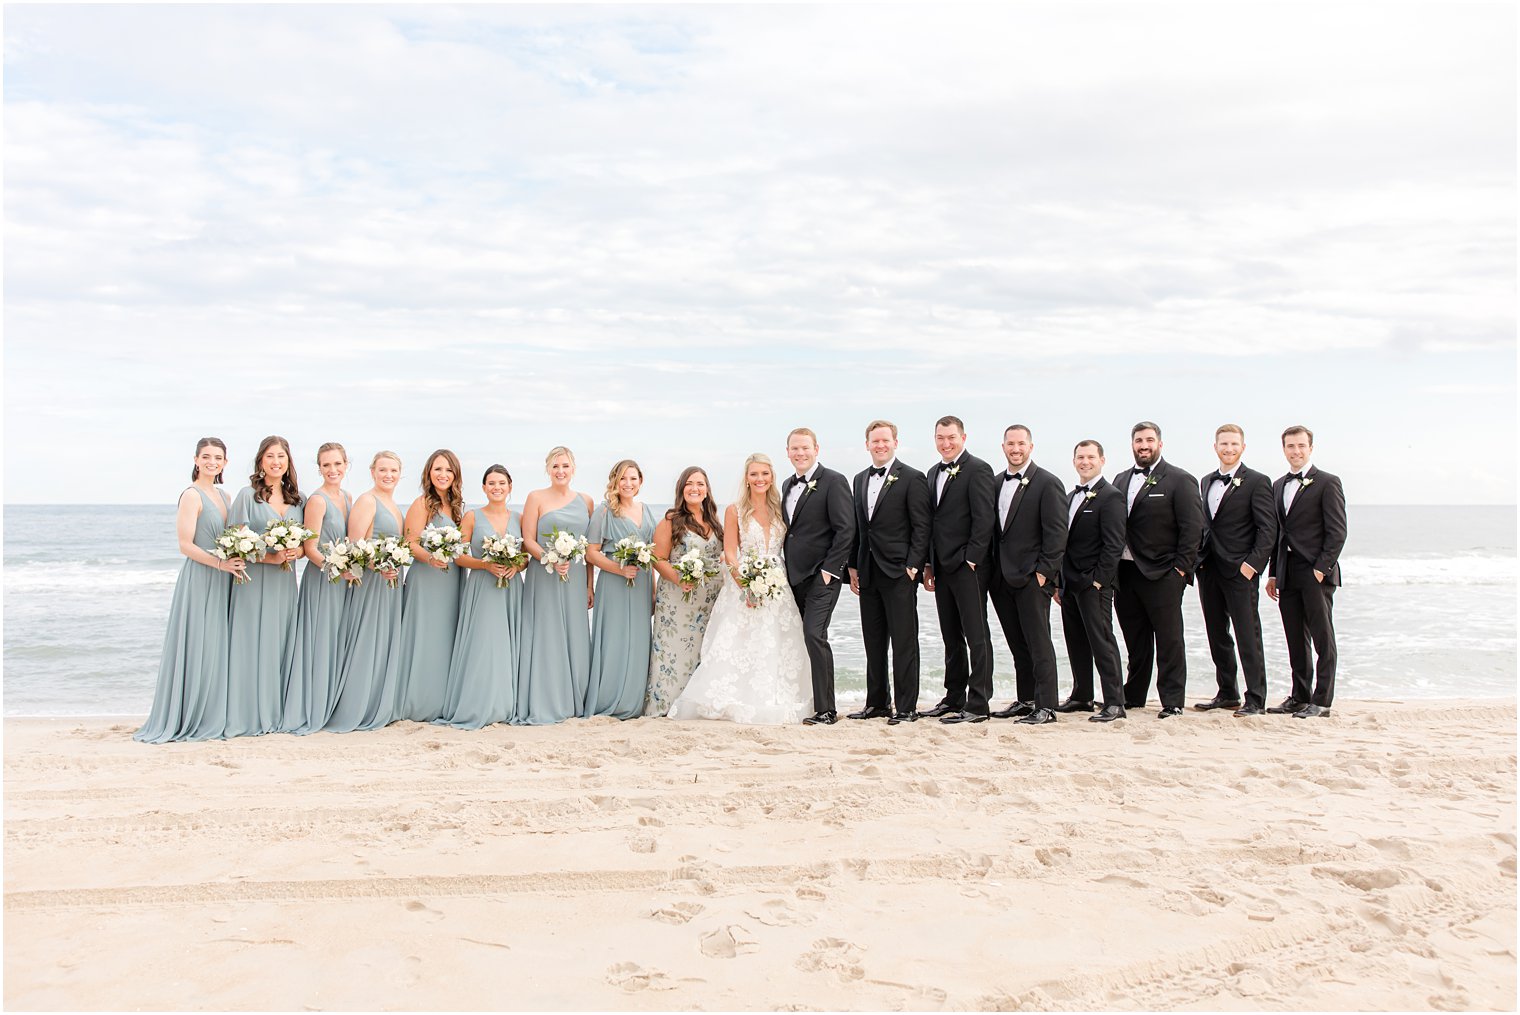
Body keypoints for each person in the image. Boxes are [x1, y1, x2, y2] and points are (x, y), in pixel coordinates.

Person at [669, 453, 812, 725]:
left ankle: (773, 699)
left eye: (765, 474)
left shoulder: (782, 508)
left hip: (777, 585)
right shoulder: (734, 510)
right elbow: (731, 553)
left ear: (772, 477)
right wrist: (746, 585)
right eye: (754, 474)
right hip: (743, 584)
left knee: (777, 644)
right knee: (739, 644)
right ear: (746, 478)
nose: (759, 479)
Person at [135, 437, 243, 743]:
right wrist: (220, 565)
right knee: (200, 644)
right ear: (196, 460)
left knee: (218, 647)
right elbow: (185, 545)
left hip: (224, 578)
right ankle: (190, 715)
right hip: (201, 577)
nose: (212, 461)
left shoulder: (224, 496)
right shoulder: (191, 496)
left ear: (225, 463)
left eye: (218, 457)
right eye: (206, 456)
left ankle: (213, 713)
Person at [1112, 421, 1203, 718]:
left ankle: (1172, 700)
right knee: (1135, 639)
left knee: (1169, 639)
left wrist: (1180, 570)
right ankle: (1135, 694)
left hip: (1163, 573)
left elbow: (1193, 529)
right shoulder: (1120, 479)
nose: (1144, 445)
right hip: (1125, 573)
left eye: (1149, 440)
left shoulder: (1180, 480)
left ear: (1160, 444)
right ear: (1132, 445)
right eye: (1139, 440)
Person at [846, 420, 931, 724]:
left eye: (885, 440)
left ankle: (906, 707)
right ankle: (878, 703)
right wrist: (852, 566)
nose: (880, 446)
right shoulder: (858, 480)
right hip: (868, 571)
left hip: (899, 572)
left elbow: (922, 527)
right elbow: (858, 526)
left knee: (905, 642)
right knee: (874, 642)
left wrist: (913, 567)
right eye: (874, 441)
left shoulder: (912, 478)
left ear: (896, 442)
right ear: (867, 444)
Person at [1193, 424, 1278, 717]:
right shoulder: (1205, 481)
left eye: (1233, 444)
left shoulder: (1257, 481)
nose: (1228, 449)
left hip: (1240, 571)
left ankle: (1255, 698)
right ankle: (1227, 692)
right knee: (1217, 634)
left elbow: (1268, 529)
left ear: (1243, 447)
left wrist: (1252, 565)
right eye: (1223, 444)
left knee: (1247, 634)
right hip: (1209, 569)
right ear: (1215, 447)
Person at [986, 425, 1068, 725]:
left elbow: (1057, 533)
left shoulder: (1047, 483)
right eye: (1010, 444)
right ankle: (1026, 699)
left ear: (1030, 447)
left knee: (1039, 641)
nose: (1015, 448)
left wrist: (1045, 573)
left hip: (1033, 577)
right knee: (1016, 642)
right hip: (1001, 577)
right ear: (1003, 446)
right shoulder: (994, 483)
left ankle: (1046, 706)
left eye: (1021, 443)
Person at [225, 435, 304, 737]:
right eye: (270, 456)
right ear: (260, 461)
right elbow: (235, 541)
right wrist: (269, 557)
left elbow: (308, 540)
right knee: (251, 643)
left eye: (281, 456)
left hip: (285, 582)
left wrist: (296, 552)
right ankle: (248, 713)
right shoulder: (248, 496)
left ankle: (277, 710)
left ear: (288, 461)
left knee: (280, 643)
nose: (276, 462)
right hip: (255, 581)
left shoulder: (298, 499)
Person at [920, 415, 997, 724]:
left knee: (976, 635)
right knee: (951, 636)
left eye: (951, 437)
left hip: (969, 567)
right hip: (941, 566)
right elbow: (931, 522)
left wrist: (971, 559)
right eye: (940, 437)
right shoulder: (931, 473)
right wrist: (929, 562)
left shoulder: (978, 469)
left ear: (963, 438)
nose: (946, 443)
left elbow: (985, 518)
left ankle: (978, 703)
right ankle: (954, 697)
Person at [1266, 425, 1346, 719]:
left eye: (1301, 446)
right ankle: (1299, 697)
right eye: (1290, 446)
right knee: (1295, 638)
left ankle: (1322, 701)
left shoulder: (1327, 482)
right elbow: (1278, 534)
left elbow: (1337, 532)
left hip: (1315, 572)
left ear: (1310, 448)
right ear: (1284, 449)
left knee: (1323, 638)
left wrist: (1320, 569)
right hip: (1287, 572)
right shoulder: (1277, 485)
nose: (1296, 451)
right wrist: (1274, 573)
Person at [436, 465, 525, 729]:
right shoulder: (472, 517)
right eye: (491, 483)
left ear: (510, 487)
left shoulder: (518, 518)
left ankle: (505, 704)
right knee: (484, 645)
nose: (496, 488)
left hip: (511, 588)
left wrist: (516, 566)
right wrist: (485, 565)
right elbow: (458, 556)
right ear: (484, 488)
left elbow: (527, 557)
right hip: (482, 587)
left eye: (501, 483)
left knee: (507, 646)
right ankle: (479, 703)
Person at [325, 451, 407, 733]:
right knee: (367, 641)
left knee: (383, 642)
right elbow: (354, 547)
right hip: (372, 583)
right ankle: (357, 706)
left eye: (393, 471)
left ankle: (378, 703)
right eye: (383, 470)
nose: (388, 475)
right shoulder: (367, 500)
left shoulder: (393, 505)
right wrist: (379, 565)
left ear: (400, 474)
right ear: (372, 472)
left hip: (390, 582)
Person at [779, 428, 855, 725]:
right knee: (798, 638)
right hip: (793, 577)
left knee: (814, 634)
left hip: (823, 576)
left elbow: (846, 529)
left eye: (805, 448)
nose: (800, 453)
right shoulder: (786, 484)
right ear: (788, 452)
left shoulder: (834, 481)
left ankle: (827, 710)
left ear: (816, 449)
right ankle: (806, 700)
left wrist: (829, 570)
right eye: (794, 449)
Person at [516, 446, 594, 724]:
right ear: (547, 469)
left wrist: (589, 585)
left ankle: (575, 699)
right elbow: (528, 539)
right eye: (555, 466)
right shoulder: (535, 497)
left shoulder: (586, 501)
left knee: (574, 635)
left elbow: (589, 548)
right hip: (544, 575)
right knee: (546, 635)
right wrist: (549, 558)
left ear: (574, 469)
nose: (560, 471)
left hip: (574, 578)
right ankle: (545, 699)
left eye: (565, 466)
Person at [281, 442, 354, 734]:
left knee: (338, 640)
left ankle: (334, 701)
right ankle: (313, 705)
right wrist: (334, 569)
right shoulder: (317, 500)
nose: (333, 470)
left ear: (346, 465)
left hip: (344, 578)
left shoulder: (348, 497)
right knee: (320, 641)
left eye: (337, 464)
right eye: (326, 465)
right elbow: (310, 548)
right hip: (323, 579)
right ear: (319, 468)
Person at [1055, 440, 1128, 723]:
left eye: (1090, 457)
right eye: (1080, 457)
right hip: (1069, 582)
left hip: (1093, 583)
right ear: (1074, 461)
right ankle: (1082, 696)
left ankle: (1114, 701)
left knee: (1102, 640)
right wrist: (1060, 580)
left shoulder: (1111, 496)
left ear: (1102, 460)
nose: (1085, 462)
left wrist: (1100, 581)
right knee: (1075, 641)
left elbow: (1114, 544)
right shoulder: (1071, 495)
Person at [643, 467, 724, 716]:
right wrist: (679, 579)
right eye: (689, 484)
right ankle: (665, 707)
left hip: (709, 600)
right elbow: (657, 558)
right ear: (681, 488)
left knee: (703, 651)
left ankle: (696, 706)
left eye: (700, 484)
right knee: (674, 652)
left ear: (707, 489)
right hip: (679, 599)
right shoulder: (671, 520)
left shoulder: (713, 520)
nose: (695, 488)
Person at [395, 449, 467, 723]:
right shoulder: (422, 503)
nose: (443, 475)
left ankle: (441, 700)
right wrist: (431, 557)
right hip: (427, 579)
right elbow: (410, 543)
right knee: (424, 636)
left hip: (451, 580)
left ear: (455, 475)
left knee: (445, 637)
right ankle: (417, 701)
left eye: (448, 470)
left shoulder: (457, 507)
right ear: (429, 473)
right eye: (438, 469)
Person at [584, 459, 657, 718]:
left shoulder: (647, 511)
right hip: (614, 583)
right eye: (623, 478)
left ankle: (633, 702)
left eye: (633, 479)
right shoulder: (604, 512)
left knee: (639, 640)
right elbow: (590, 553)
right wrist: (619, 569)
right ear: (615, 481)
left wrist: (653, 592)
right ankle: (608, 699)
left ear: (640, 482)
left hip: (641, 584)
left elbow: (653, 555)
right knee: (614, 639)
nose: (628, 483)